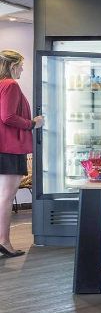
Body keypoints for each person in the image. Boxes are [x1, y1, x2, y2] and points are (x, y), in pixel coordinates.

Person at [0, 50, 44, 258]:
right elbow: (7, 116)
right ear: (12, 66)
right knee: (7, 196)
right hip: (10, 148)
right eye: (21, 65)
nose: (23, 69)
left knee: (3, 196)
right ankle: (4, 241)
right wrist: (32, 123)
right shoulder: (10, 85)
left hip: (3, 147)